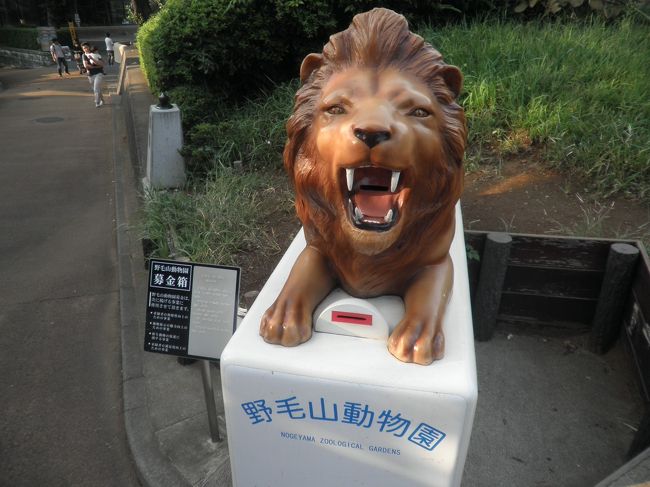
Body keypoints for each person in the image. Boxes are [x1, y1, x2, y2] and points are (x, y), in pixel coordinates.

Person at [82, 43, 105, 107]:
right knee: (97, 89)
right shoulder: (84, 55)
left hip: (99, 73)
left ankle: (97, 102)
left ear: (89, 47)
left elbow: (103, 63)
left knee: (96, 88)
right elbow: (86, 66)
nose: (85, 49)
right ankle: (102, 100)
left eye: (86, 47)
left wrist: (96, 64)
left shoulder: (96, 53)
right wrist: (97, 66)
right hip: (90, 75)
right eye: (84, 48)